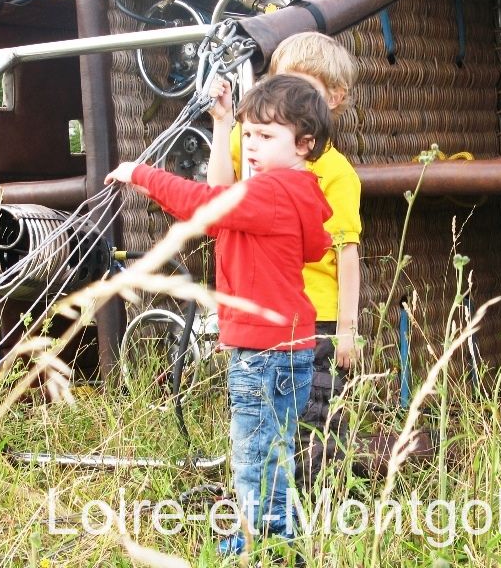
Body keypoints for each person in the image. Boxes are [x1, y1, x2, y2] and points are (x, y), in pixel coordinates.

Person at [105, 74, 333, 548]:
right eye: (247, 133)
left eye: (266, 136)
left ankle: (262, 547)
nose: (251, 145)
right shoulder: (292, 191)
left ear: (305, 145)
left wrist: (141, 175)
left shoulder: (272, 194)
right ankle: (274, 538)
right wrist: (222, 123)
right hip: (288, 347)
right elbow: (222, 204)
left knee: (255, 458)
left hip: (263, 354)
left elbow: (204, 204)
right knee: (274, 453)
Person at [206, 31, 362, 493]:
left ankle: (315, 505)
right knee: (257, 416)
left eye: (303, 87)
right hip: (261, 317)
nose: (285, 96)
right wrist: (221, 129)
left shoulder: (335, 172)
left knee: (312, 417)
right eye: (280, 81)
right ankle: (265, 506)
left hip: (316, 319)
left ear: (333, 100)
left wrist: (349, 327)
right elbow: (218, 199)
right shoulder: (252, 143)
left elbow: (346, 251)